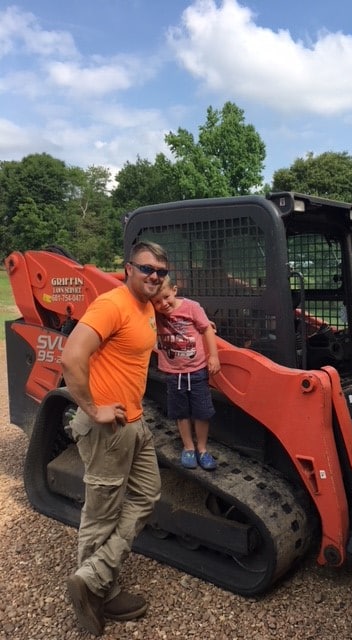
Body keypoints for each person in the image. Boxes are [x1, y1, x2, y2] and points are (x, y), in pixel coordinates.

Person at [61, 241, 168, 637]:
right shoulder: (113, 304)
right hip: (109, 427)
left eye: (161, 271)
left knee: (146, 495)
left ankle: (93, 575)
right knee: (102, 512)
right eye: (146, 269)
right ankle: (97, 594)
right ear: (128, 269)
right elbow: (71, 357)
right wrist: (93, 409)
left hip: (134, 423)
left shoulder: (146, 306)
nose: (154, 276)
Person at [152, 275, 220, 471]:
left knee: (201, 412)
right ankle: (188, 447)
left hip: (197, 370)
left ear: (174, 290)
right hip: (174, 373)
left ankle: (202, 449)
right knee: (181, 412)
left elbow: (206, 329)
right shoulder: (154, 313)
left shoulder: (191, 307)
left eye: (166, 297)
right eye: (157, 301)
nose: (163, 304)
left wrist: (213, 357)